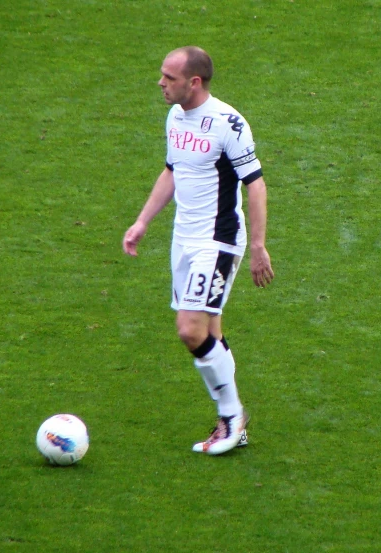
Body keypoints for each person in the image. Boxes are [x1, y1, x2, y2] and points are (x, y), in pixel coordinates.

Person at [123, 46, 274, 455]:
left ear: (194, 82)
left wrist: (258, 246)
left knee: (190, 330)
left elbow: (254, 184)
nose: (160, 83)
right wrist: (143, 221)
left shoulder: (228, 122)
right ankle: (233, 422)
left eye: (169, 77)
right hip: (183, 240)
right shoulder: (175, 116)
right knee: (210, 331)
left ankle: (232, 415)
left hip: (219, 239)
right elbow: (174, 170)